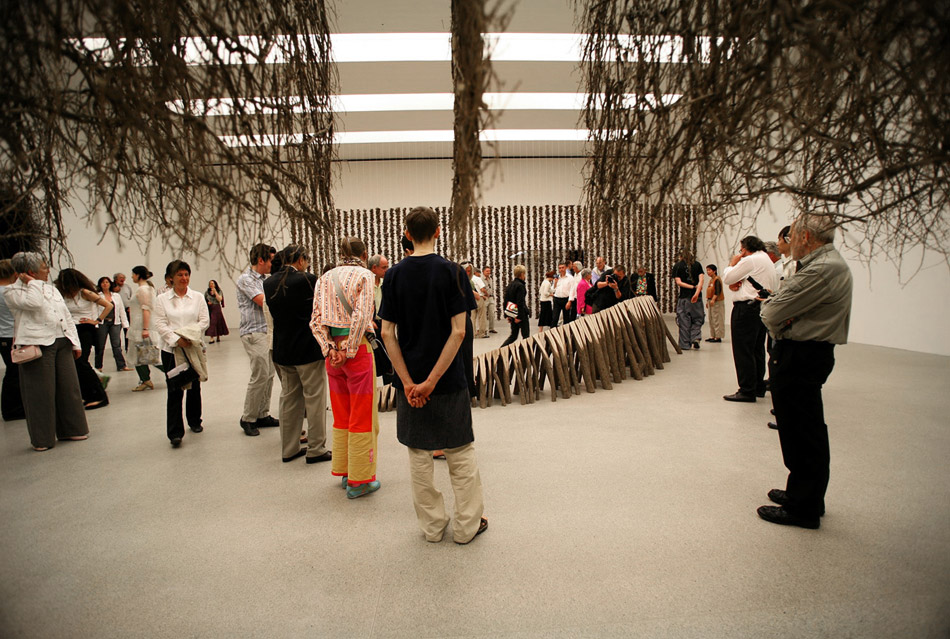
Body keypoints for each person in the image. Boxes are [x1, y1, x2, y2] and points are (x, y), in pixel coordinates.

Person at [380, 206, 487, 544]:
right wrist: (433, 381)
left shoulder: (393, 276)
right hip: (449, 379)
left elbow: (386, 333)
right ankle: (467, 527)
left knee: (419, 455)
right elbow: (459, 332)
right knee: (460, 452)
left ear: (407, 234)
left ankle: (432, 527)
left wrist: (410, 383)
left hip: (410, 384)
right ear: (438, 231)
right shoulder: (453, 272)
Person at [758, 213, 853, 529]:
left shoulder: (822, 269)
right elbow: (780, 310)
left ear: (806, 237)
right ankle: (803, 493)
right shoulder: (822, 265)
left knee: (802, 430)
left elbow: (771, 312)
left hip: (802, 354)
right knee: (798, 426)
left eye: (792, 235)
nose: (788, 241)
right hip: (803, 352)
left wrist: (781, 316)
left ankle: (804, 507)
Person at [310, 237, 380, 499]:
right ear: (364, 254)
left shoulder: (324, 278)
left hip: (332, 357)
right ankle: (359, 481)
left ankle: (345, 471)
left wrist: (330, 349)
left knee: (342, 414)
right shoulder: (365, 276)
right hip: (357, 351)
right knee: (362, 415)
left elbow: (316, 320)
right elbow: (361, 317)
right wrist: (348, 350)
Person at [3, 252, 89, 450]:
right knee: (40, 393)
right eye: (43, 267)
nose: (48, 270)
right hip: (37, 343)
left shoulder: (51, 288)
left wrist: (75, 342)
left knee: (69, 388)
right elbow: (33, 303)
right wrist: (32, 283)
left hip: (62, 340)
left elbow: (65, 314)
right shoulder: (12, 291)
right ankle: (42, 438)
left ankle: (72, 429)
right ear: (30, 271)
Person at [264, 245, 331, 464]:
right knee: (315, 399)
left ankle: (289, 448)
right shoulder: (308, 280)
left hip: (283, 349)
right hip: (307, 349)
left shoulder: (268, 283)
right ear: (300, 260)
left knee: (289, 399)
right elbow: (319, 312)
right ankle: (316, 448)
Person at [153, 260, 209, 447]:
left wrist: (189, 335)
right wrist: (177, 339)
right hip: (171, 350)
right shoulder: (162, 299)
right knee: (175, 388)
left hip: (192, 346)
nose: (184, 278)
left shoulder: (197, 297)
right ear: (171, 278)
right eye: (180, 275)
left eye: (186, 274)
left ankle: (195, 420)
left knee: (194, 385)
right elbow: (160, 324)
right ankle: (175, 432)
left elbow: (204, 320)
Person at [721, 236, 778, 402]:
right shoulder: (766, 259)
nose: (741, 253)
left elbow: (728, 278)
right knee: (756, 349)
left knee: (743, 350)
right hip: (761, 308)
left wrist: (732, 263)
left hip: (746, 308)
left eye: (741, 250)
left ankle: (746, 390)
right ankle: (758, 386)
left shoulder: (751, 260)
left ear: (745, 249)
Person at [235, 243, 278, 437]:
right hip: (254, 332)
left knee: (269, 374)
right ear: (261, 260)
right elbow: (264, 302)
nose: (272, 264)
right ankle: (248, 418)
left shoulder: (265, 279)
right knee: (260, 374)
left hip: (266, 331)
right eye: (270, 260)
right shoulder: (246, 279)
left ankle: (262, 414)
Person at [55, 268, 111, 409]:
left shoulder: (84, 292)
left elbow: (108, 305)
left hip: (85, 329)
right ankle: (88, 393)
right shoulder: (63, 294)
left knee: (81, 362)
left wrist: (96, 320)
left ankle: (99, 395)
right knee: (75, 364)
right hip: (71, 330)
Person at [128, 266, 162, 392]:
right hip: (138, 326)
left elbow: (146, 309)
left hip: (142, 327)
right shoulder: (146, 288)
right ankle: (145, 380)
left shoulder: (143, 289)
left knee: (151, 356)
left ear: (138, 275)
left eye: (133, 274)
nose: (132, 276)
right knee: (139, 356)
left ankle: (176, 374)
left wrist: (145, 329)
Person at [0, 259, 26, 421]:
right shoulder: (9, 292)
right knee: (14, 373)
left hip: (3, 336)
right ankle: (13, 409)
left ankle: (13, 408)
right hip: (12, 335)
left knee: (12, 371)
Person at [93, 276, 131, 372]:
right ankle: (98, 366)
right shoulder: (97, 296)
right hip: (102, 323)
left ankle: (121, 365)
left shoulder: (116, 296)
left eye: (107, 282)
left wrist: (125, 324)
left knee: (116, 345)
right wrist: (95, 323)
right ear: (100, 285)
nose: (105, 284)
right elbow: (94, 310)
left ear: (110, 284)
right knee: (100, 345)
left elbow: (121, 310)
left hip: (115, 322)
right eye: (103, 282)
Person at [671, 249, 705, 350]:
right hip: (697, 297)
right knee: (698, 319)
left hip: (684, 297)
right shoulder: (697, 265)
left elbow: (679, 282)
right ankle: (696, 337)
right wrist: (696, 292)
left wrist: (691, 287)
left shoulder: (678, 266)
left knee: (684, 320)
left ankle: (685, 344)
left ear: (681, 256)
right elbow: (701, 280)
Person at [501, 265, 529, 346]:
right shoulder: (520, 286)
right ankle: (525, 352)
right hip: (520, 314)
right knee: (526, 336)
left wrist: (507, 315)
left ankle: (501, 349)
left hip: (512, 312)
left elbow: (506, 300)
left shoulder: (510, 285)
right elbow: (520, 302)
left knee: (513, 336)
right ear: (522, 274)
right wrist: (519, 316)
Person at [705, 265, 725, 343]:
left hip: (717, 301)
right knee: (711, 319)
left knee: (717, 319)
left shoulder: (717, 279)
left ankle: (718, 336)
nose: (708, 272)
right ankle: (713, 335)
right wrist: (708, 301)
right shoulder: (711, 280)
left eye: (709, 270)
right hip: (711, 301)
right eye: (707, 270)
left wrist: (713, 299)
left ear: (714, 271)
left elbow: (717, 290)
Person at [551, 261, 575, 326]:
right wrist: (555, 282)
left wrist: (569, 301)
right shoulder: (556, 277)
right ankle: (553, 331)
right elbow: (553, 289)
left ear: (566, 268)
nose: (561, 269)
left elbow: (572, 290)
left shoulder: (570, 278)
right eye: (560, 268)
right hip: (557, 299)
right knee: (554, 318)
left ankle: (566, 331)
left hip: (565, 299)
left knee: (566, 318)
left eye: (562, 268)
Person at [482, 266, 497, 334]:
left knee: (492, 313)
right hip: (485, 298)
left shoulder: (490, 279)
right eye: (487, 271)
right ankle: (484, 329)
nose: (488, 272)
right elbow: (482, 288)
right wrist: (485, 294)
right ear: (483, 271)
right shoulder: (481, 279)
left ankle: (491, 328)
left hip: (491, 298)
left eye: (489, 271)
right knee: (484, 314)